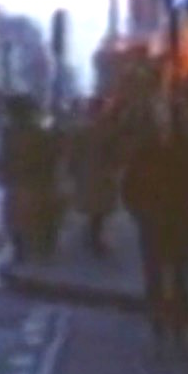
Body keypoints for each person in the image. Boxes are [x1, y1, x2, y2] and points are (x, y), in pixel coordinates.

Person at [121, 98, 188, 354]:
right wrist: (138, 211)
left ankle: (179, 323)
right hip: (153, 218)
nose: (166, 124)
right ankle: (158, 321)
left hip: (179, 217)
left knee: (180, 272)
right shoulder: (146, 150)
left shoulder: (187, 149)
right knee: (155, 273)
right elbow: (130, 183)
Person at [0, 94, 58, 263]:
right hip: (35, 181)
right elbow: (50, 157)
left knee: (16, 216)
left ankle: (21, 249)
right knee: (39, 215)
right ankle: (40, 249)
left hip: (20, 180)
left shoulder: (11, 133)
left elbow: (6, 156)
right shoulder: (39, 133)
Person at [65, 97, 121, 257]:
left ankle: (92, 236)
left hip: (88, 173)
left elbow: (73, 152)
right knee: (99, 209)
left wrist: (72, 170)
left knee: (95, 208)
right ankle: (94, 238)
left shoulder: (82, 129)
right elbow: (115, 152)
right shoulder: (108, 130)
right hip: (101, 174)